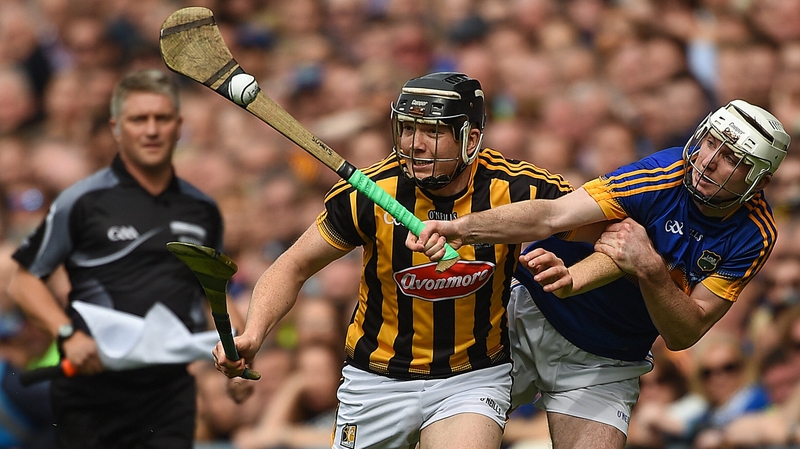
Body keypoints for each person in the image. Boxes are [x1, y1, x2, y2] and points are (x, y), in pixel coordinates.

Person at [213, 72, 575, 449]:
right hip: (376, 378)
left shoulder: (520, 187)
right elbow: (293, 266)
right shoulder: (367, 194)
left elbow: (601, 222)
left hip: (471, 376)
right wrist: (254, 331)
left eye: (432, 132)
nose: (414, 144)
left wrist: (574, 272)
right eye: (406, 128)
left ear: (470, 138)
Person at [407, 99, 790, 448]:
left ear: (761, 182)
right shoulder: (663, 173)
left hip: (609, 361)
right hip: (529, 317)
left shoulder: (755, 233)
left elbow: (685, 332)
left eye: (733, 158)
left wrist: (651, 269)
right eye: (711, 143)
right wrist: (460, 228)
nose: (709, 161)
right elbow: (552, 215)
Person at [5, 69, 232, 449]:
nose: (151, 130)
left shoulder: (202, 210)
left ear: (179, 126)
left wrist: (234, 353)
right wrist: (67, 334)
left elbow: (215, 295)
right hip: (91, 392)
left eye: (162, 119)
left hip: (168, 395)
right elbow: (24, 283)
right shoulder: (80, 202)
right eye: (138, 119)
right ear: (116, 128)